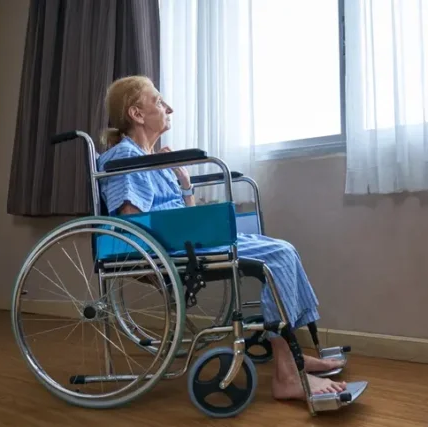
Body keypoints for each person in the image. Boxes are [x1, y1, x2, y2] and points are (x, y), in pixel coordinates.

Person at [96, 75, 347, 401]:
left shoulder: (154, 160)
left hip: (186, 239)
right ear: (137, 114)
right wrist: (159, 267)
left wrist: (185, 185)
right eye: (158, 101)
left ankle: (294, 353)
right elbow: (131, 223)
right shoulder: (125, 159)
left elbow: (180, 213)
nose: (168, 107)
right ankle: (287, 375)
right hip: (173, 247)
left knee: (283, 249)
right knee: (278, 257)